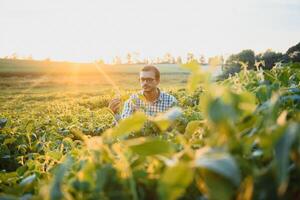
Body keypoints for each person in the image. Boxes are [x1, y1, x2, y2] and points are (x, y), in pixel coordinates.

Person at [108, 65, 178, 120]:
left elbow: (176, 127)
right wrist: (115, 114)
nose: (145, 83)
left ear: (157, 81)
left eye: (149, 79)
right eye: (142, 79)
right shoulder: (133, 100)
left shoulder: (170, 101)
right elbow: (125, 125)